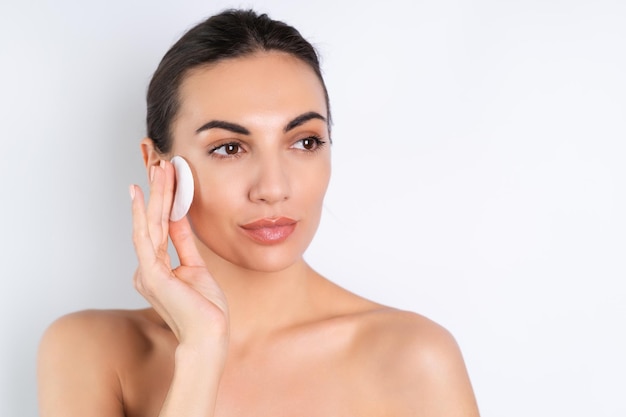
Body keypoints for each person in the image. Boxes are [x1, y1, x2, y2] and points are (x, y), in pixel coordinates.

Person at [37, 9, 480, 417]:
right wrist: (201, 353)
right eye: (229, 148)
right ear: (158, 166)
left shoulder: (414, 357)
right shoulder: (89, 350)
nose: (273, 189)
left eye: (305, 142)